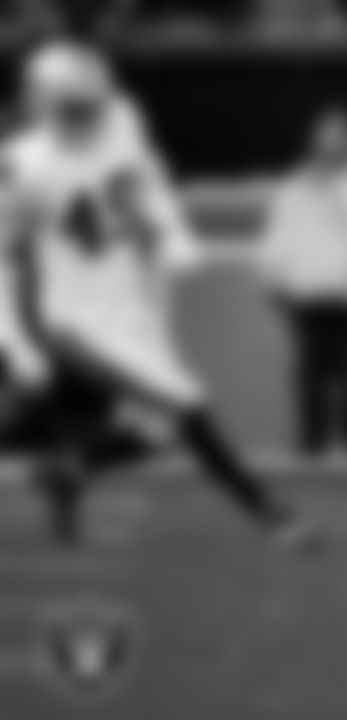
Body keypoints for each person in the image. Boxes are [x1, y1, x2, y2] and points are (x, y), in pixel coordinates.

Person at [0, 40, 313, 547]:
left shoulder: (123, 121)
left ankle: (69, 471)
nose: (84, 117)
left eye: (89, 104)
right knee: (186, 404)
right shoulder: (22, 164)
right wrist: (14, 343)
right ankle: (268, 511)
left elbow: (149, 183)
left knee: (130, 425)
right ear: (38, 102)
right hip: (77, 317)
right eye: (71, 107)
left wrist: (173, 234)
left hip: (130, 307)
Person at [259, 113, 347, 463]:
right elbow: (279, 238)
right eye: (327, 138)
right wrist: (273, 278)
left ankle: (344, 447)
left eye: (337, 138)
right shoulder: (295, 189)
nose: (332, 146)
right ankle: (326, 447)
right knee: (322, 375)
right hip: (317, 290)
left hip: (344, 291)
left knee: (344, 375)